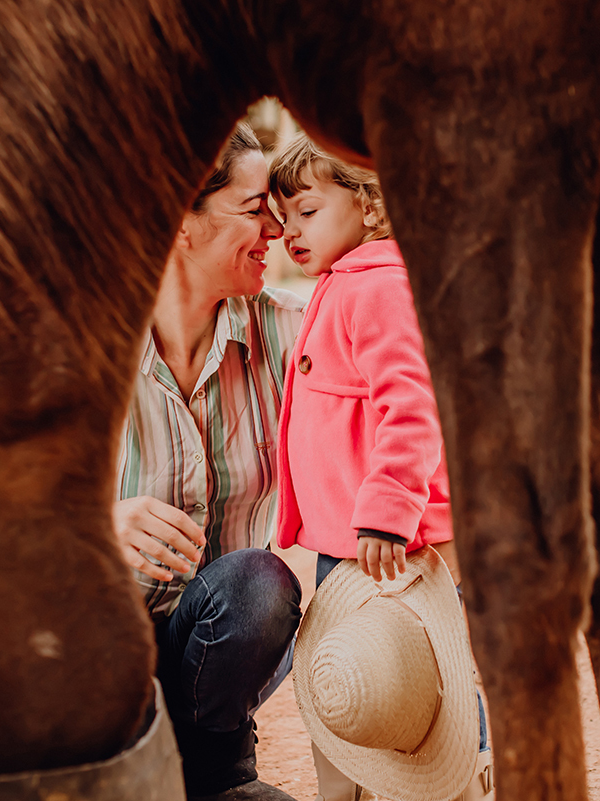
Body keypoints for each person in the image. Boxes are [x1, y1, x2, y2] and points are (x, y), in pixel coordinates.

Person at [270, 134, 493, 801]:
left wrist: (389, 511)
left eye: (307, 212)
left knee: (428, 674)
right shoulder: (346, 282)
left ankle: (463, 783)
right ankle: (353, 790)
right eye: (283, 219)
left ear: (368, 205)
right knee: (351, 681)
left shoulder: (381, 286)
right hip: (354, 541)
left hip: (397, 540)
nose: (290, 232)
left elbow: (413, 401)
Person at [113, 123, 303, 801]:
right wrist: (94, 524)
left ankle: (207, 773)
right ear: (180, 223)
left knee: (259, 585)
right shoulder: (88, 342)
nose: (277, 228)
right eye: (255, 209)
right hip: (97, 653)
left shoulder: (289, 333)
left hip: (219, 656)